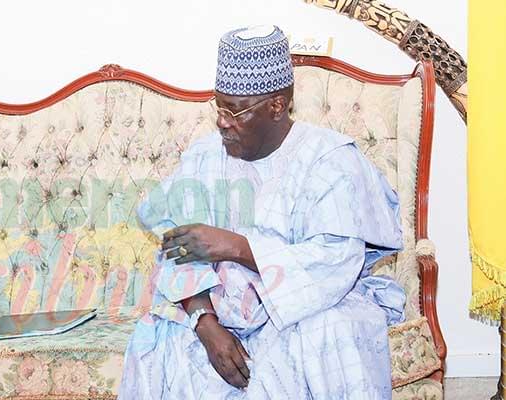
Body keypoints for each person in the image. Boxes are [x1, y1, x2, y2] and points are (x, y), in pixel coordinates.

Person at [118, 25, 406, 399]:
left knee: (330, 332)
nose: (222, 121)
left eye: (235, 110)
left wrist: (235, 247)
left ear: (276, 106)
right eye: (218, 106)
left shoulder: (330, 161)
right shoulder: (204, 158)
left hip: (310, 306)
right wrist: (205, 324)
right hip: (219, 309)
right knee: (161, 338)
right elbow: (175, 249)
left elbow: (335, 262)